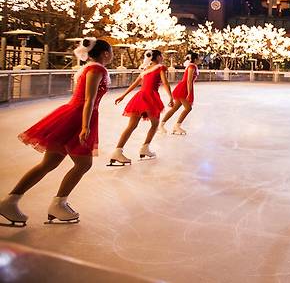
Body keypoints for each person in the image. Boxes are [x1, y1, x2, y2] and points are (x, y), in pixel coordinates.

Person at [0, 38, 113, 226]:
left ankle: (10, 201)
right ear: (105, 53)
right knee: (83, 163)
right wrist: (85, 126)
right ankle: (58, 203)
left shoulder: (88, 68)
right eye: (111, 52)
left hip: (72, 116)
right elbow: (89, 100)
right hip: (77, 118)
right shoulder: (97, 69)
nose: (112, 55)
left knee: (49, 163)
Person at [109, 50, 173, 166]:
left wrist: (123, 95)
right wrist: (171, 97)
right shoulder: (160, 68)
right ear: (158, 57)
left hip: (140, 97)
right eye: (161, 55)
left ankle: (118, 151)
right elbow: (165, 82)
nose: (162, 58)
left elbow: (135, 83)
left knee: (131, 126)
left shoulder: (145, 69)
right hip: (151, 98)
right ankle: (145, 148)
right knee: (154, 125)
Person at [159, 52, 200, 136]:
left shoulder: (192, 66)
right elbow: (188, 81)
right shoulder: (192, 66)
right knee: (188, 108)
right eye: (199, 58)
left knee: (174, 108)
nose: (200, 59)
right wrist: (189, 93)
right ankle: (176, 126)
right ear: (195, 59)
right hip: (183, 88)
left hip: (185, 88)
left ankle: (162, 125)